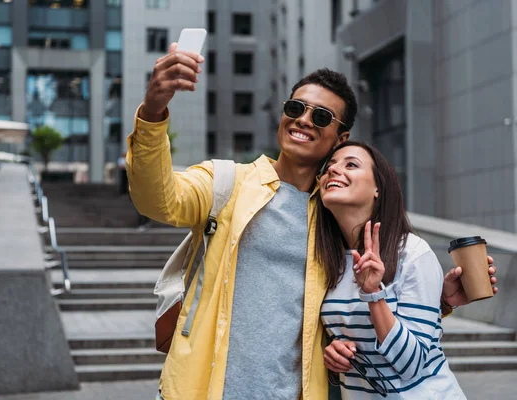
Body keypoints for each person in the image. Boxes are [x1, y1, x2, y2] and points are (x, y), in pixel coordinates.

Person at [126, 43, 498, 400]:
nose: (303, 119)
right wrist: (154, 111)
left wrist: (437, 303)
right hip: (203, 389)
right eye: (295, 107)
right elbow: (157, 200)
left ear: (342, 137)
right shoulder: (227, 183)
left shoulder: (334, 214)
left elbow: (361, 301)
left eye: (321, 116)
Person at [318, 141, 476, 398]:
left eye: (351, 165)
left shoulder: (413, 253)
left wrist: (373, 294)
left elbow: (411, 365)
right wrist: (333, 354)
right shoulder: (326, 258)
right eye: (329, 167)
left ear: (377, 188)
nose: (333, 171)